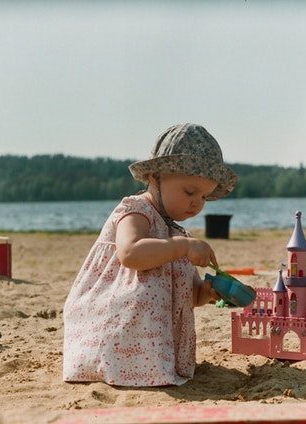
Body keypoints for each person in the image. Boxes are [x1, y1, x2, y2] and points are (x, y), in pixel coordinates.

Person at [63, 123, 238, 387]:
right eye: (189, 192)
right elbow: (131, 253)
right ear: (155, 178)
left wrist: (206, 292)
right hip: (112, 333)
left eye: (204, 196)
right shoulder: (136, 211)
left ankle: (152, 369)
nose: (197, 203)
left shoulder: (176, 234)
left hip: (151, 350)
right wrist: (183, 247)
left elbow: (183, 295)